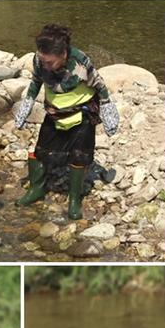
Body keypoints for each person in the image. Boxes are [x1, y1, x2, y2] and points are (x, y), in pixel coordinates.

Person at [14, 24, 119, 220]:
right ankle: (37, 188)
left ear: (63, 54)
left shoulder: (80, 62)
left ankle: (74, 199)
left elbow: (100, 86)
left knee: (79, 155)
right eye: (43, 61)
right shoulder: (39, 59)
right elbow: (36, 81)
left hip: (82, 113)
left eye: (50, 62)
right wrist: (27, 102)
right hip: (54, 112)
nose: (45, 65)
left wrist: (107, 107)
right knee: (41, 150)